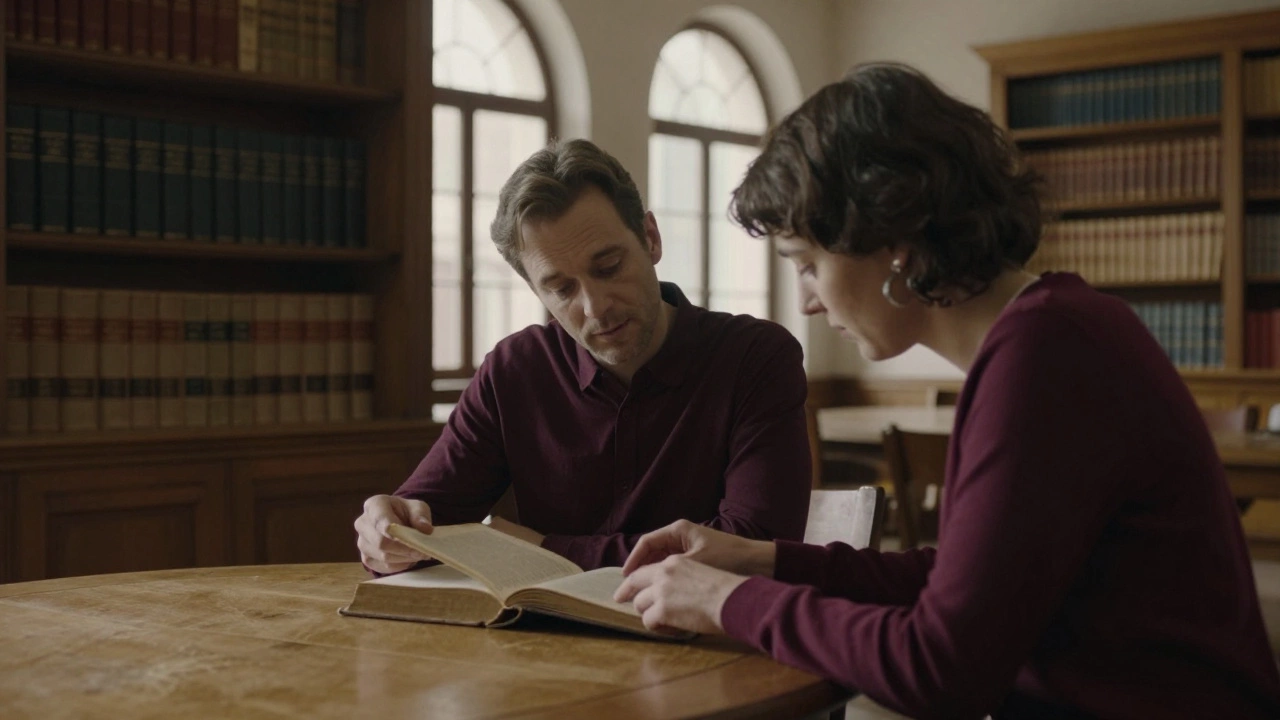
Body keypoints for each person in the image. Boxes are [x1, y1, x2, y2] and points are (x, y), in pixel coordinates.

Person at [615, 63, 1280, 719]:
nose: (807, 302)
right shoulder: (1049, 333)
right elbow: (961, 584)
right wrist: (763, 560)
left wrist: (727, 602)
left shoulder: (1047, 355)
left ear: (892, 238)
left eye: (808, 264)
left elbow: (939, 668)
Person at [355, 138, 811, 573]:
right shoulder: (514, 371)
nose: (595, 306)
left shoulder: (756, 358)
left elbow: (753, 549)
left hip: (708, 646)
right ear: (536, 291)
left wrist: (542, 550)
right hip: (542, 648)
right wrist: (389, 535)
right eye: (561, 288)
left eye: (608, 267)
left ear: (650, 238)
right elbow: (424, 529)